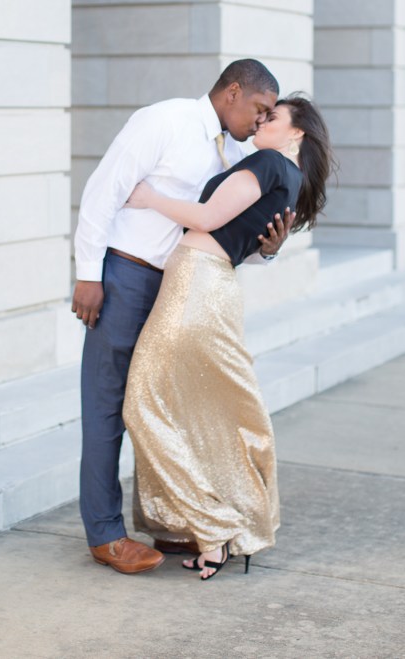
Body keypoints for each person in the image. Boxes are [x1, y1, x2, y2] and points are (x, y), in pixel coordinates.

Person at [72, 60, 295, 574]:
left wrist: (269, 250)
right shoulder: (164, 121)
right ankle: (105, 534)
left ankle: (169, 518)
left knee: (168, 407)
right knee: (108, 407)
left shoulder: (239, 153)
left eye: (269, 117)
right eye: (259, 110)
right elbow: (103, 191)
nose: (260, 123)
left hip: (180, 291)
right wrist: (89, 274)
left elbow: (223, 231)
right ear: (233, 91)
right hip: (127, 276)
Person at [122, 95, 334, 580]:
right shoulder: (289, 179)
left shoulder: (269, 163)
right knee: (188, 408)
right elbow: (249, 238)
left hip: (195, 285)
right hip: (208, 286)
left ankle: (215, 525)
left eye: (273, 117)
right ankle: (215, 524)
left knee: (143, 404)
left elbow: (209, 218)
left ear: (296, 133)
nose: (262, 121)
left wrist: (149, 197)